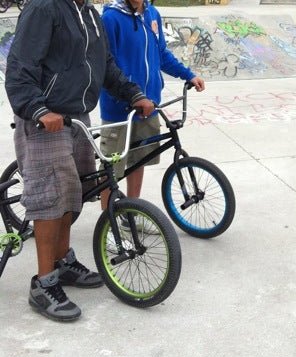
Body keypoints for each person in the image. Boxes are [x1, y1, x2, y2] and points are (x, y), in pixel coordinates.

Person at [5, 0, 154, 322]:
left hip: (78, 117)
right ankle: (43, 282)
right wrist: (38, 110)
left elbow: (106, 65)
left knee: (73, 197)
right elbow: (20, 66)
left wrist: (133, 94)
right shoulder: (44, 8)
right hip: (46, 119)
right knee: (50, 199)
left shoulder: (89, 13)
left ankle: (63, 262)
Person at [98, 0, 205, 233]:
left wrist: (188, 75)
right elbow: (106, 67)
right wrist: (129, 98)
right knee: (110, 171)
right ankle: (110, 226)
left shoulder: (151, 13)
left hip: (149, 105)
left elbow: (162, 54)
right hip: (120, 111)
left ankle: (131, 214)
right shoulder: (110, 19)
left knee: (139, 161)